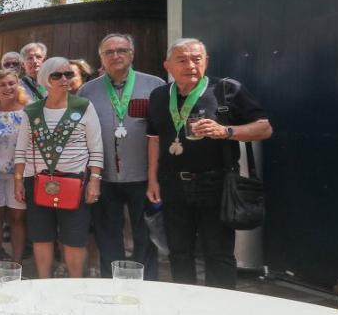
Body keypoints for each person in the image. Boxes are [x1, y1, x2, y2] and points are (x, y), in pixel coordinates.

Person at [146, 38, 272, 288]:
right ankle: (185, 305)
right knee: (178, 253)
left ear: (207, 62)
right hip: (173, 184)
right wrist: (152, 179)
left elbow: (265, 128)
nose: (190, 65)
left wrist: (225, 131)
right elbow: (154, 139)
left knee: (218, 254)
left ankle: (220, 311)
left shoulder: (225, 90)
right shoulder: (160, 95)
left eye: (197, 59)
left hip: (214, 183)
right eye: (182, 60)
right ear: (167, 65)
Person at [80, 33, 165, 280]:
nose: (115, 55)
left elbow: (161, 132)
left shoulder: (155, 85)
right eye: (109, 52)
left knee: (145, 235)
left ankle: (147, 283)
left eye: (121, 50)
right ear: (101, 58)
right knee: (108, 235)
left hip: (143, 175)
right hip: (104, 176)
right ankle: (111, 282)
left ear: (132, 54)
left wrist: (156, 176)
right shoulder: (88, 90)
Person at [14, 57, 104, 278]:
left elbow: (96, 148)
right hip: (37, 181)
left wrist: (94, 181)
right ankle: (45, 283)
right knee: (41, 237)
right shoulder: (32, 111)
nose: (64, 79)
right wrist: (18, 180)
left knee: (74, 239)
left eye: (68, 74)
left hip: (75, 182)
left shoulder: (83, 107)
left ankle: (75, 285)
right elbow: (21, 150)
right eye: (57, 75)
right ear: (46, 79)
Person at [0, 69, 30, 263]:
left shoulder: (28, 110)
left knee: (17, 219)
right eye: (2, 84)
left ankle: (17, 263)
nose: (7, 88)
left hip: (18, 176)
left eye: (11, 83)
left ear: (18, 85)